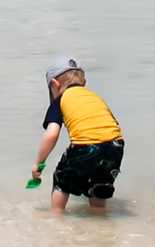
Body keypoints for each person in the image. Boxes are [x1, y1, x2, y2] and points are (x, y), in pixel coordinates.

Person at [32, 55, 124, 214]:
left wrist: (39, 163)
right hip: (116, 145)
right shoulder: (95, 97)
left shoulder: (60, 100)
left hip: (85, 146)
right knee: (100, 184)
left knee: (62, 180)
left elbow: (52, 134)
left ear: (55, 84)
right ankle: (99, 217)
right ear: (84, 82)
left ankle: (56, 216)